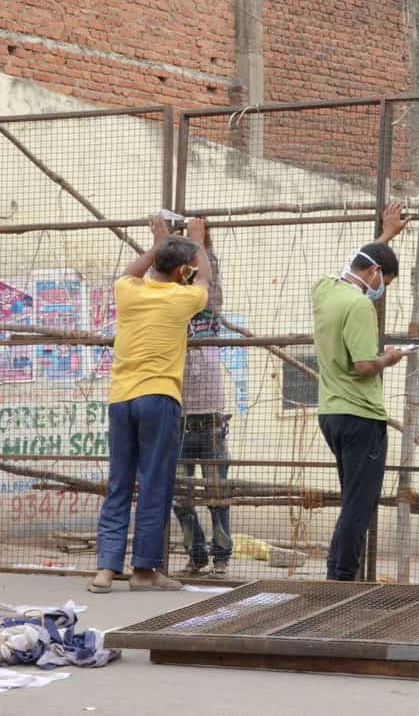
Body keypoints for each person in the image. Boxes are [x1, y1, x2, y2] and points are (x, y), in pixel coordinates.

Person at [88, 214, 212, 594]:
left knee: (119, 482)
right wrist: (198, 239)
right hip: (158, 397)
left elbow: (133, 269)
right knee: (154, 483)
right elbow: (206, 280)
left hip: (121, 397)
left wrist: (160, 241)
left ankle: (106, 570)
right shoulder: (184, 297)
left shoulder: (128, 291)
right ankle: (143, 571)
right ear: (181, 272)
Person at [312, 202, 410, 581]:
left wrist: (385, 237)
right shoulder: (359, 307)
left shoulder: (324, 291)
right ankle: (341, 574)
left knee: (351, 494)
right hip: (360, 415)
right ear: (375, 273)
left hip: (330, 411)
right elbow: (364, 365)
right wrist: (389, 358)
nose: (382, 291)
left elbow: (352, 266)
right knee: (360, 500)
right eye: (385, 281)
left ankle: (340, 569)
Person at [172, 227, 233, 577]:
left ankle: (221, 555)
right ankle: (195, 552)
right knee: (181, 496)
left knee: (217, 493)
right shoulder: (170, 312)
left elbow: (212, 278)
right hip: (178, 418)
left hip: (210, 418)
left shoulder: (209, 316)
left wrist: (200, 241)